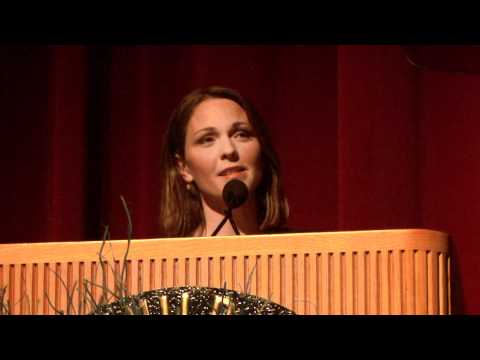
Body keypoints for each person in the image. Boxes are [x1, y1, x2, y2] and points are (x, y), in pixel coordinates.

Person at [159, 86, 289, 237]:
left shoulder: (304, 253)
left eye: (241, 134)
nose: (229, 150)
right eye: (207, 139)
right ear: (184, 168)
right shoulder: (170, 259)